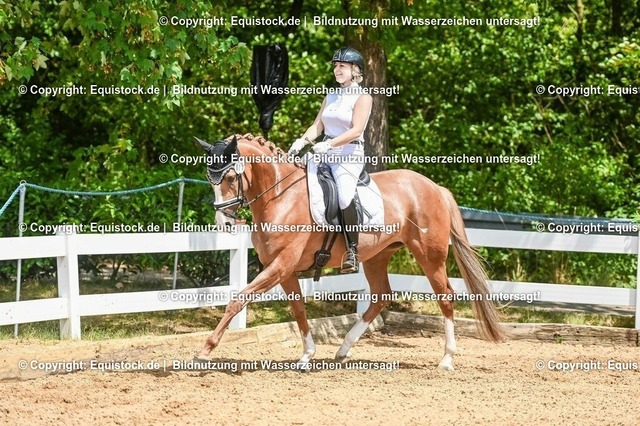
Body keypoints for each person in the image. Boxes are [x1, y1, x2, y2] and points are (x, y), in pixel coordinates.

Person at [289, 47, 372, 273]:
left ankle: (352, 250)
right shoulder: (331, 96)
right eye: (335, 66)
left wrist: (330, 144)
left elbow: (356, 130)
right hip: (324, 152)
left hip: (348, 155)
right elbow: (318, 126)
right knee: (295, 179)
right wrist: (301, 141)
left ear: (355, 70)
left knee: (344, 197)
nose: (337, 70)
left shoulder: (363, 97)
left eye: (342, 66)